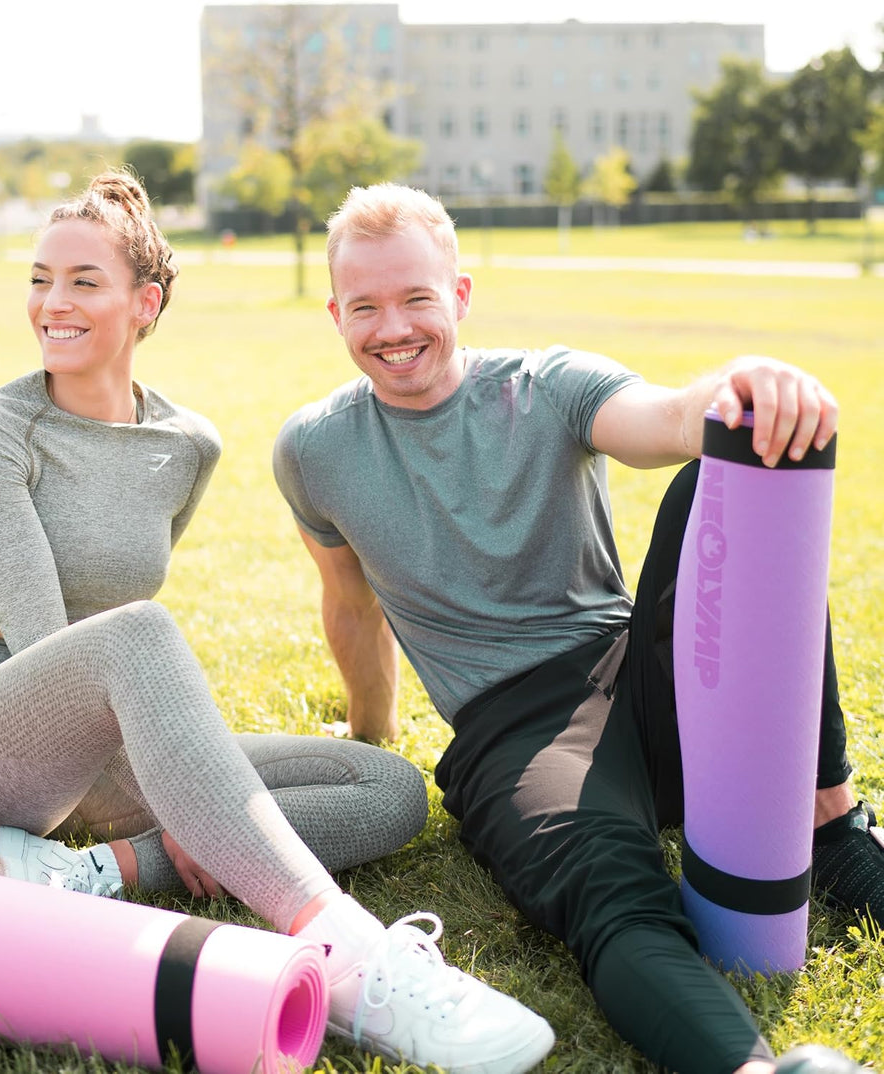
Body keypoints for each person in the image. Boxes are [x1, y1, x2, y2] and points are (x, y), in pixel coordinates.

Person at [0, 170, 556, 1074]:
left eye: (83, 280)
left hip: (94, 764)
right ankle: (353, 957)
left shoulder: (187, 444)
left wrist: (192, 804)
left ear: (144, 302)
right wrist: (196, 795)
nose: (51, 303)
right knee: (140, 634)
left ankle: (91, 873)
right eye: (40, 278)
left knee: (388, 788)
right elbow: (43, 646)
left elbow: (118, 656)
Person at [272, 182, 882, 1074]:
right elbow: (350, 598)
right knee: (614, 898)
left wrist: (742, 388)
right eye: (365, 306)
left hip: (644, 671)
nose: (391, 326)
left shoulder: (546, 384)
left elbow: (673, 417)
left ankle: (828, 821)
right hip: (515, 733)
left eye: (416, 298)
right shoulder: (313, 450)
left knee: (724, 477)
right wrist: (371, 732)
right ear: (335, 313)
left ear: (461, 295)